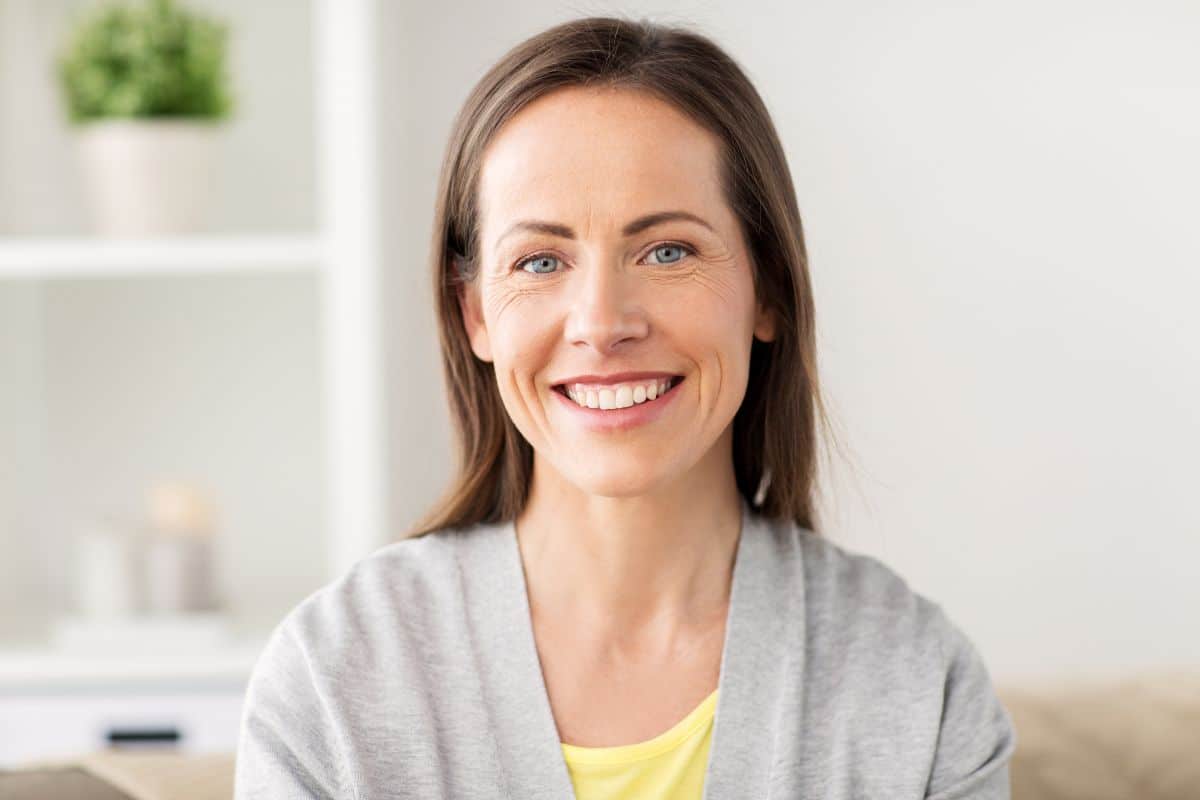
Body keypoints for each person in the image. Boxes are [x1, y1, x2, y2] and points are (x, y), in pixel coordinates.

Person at [234, 15, 1016, 800]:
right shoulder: (332, 680)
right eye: (540, 261)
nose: (603, 324)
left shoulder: (918, 685)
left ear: (767, 288)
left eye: (667, 251)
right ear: (474, 314)